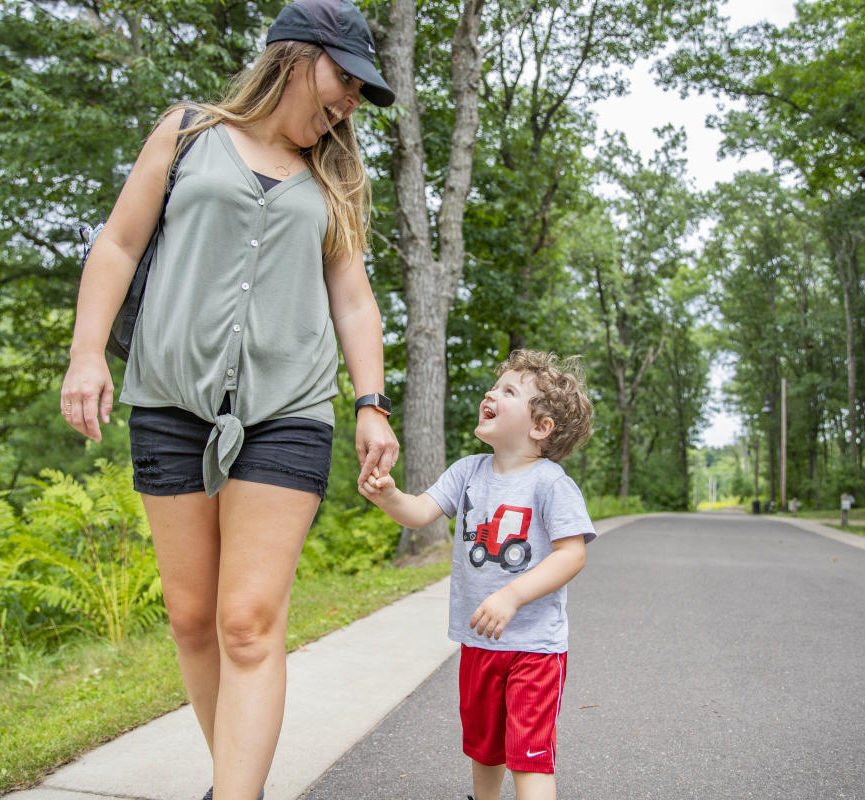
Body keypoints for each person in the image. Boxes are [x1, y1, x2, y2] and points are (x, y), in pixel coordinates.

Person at [59, 2, 399, 798]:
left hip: (289, 412)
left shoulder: (336, 174)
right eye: (344, 80)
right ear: (294, 57)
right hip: (170, 404)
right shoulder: (187, 132)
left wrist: (372, 402)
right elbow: (118, 243)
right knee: (190, 618)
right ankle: (231, 781)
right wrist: (85, 353)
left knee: (246, 622)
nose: (350, 102)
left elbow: (353, 301)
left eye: (359, 91)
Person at [360, 350, 595, 800]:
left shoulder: (550, 483)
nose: (491, 392)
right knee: (484, 748)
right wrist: (388, 495)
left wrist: (511, 596)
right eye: (495, 385)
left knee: (529, 753)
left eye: (509, 391)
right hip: (479, 641)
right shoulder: (468, 472)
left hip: (534, 647)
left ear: (539, 427)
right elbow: (419, 512)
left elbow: (571, 555)